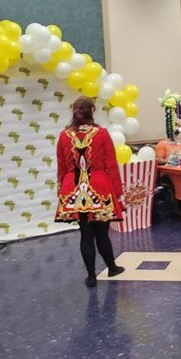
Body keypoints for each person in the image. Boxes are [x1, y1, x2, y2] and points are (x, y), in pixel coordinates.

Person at [56, 96, 125, 286]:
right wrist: (118, 192)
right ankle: (112, 268)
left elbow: (62, 167)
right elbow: (111, 164)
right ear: (92, 111)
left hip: (73, 188)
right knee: (102, 233)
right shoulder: (101, 133)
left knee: (85, 233)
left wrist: (61, 192)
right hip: (99, 186)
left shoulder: (64, 135)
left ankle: (91, 276)